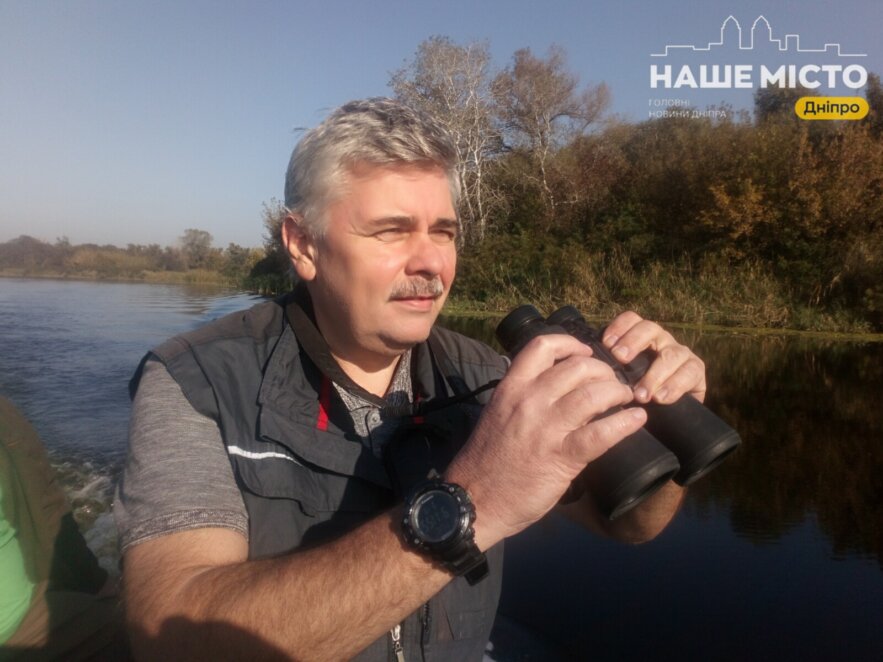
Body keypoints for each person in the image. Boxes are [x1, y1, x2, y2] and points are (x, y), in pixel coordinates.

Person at [115, 98, 706, 660]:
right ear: (303, 245)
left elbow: (628, 523)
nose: (431, 262)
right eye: (391, 230)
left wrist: (661, 420)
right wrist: (476, 501)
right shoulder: (196, 384)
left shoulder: (489, 377)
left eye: (443, 232)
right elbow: (171, 641)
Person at [0, 396, 129, 660]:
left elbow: (48, 507)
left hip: (25, 612)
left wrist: (96, 580)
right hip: (20, 627)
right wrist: (100, 584)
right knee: (148, 632)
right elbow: (48, 507)